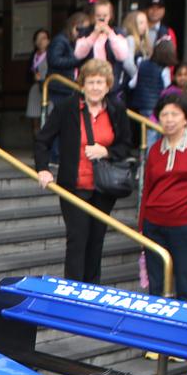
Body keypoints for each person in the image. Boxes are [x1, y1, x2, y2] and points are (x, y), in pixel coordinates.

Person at [34, 58, 133, 283]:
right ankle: (73, 291)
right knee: (77, 240)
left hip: (103, 187)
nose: (95, 87)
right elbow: (42, 140)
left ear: (108, 86)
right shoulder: (66, 108)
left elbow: (126, 145)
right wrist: (43, 169)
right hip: (73, 186)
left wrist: (105, 151)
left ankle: (92, 291)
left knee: (96, 240)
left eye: (100, 82)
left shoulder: (117, 110)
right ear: (82, 85)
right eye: (91, 82)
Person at [140, 94, 187, 300]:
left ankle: (185, 329)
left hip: (185, 222)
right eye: (164, 114)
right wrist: (141, 228)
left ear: (185, 118)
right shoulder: (155, 149)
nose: (169, 119)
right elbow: (147, 189)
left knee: (186, 281)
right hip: (153, 223)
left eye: (175, 114)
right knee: (156, 285)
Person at [74, 0, 129, 94]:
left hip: (110, 83)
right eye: (98, 16)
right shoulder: (85, 32)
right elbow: (78, 54)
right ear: (93, 16)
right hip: (88, 81)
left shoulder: (117, 33)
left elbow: (123, 56)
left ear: (110, 16)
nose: (101, 19)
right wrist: (94, 35)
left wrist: (110, 34)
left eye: (105, 16)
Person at [46, 11, 88, 107]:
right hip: (60, 87)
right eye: (80, 29)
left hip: (67, 86)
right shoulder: (61, 40)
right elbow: (54, 60)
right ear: (74, 26)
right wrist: (77, 60)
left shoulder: (72, 41)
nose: (82, 33)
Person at [25, 28, 50, 132]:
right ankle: (37, 144)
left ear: (49, 40)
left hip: (49, 88)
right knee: (35, 119)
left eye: (43, 38)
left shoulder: (51, 54)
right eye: (38, 39)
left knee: (49, 118)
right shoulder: (33, 56)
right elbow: (27, 74)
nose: (40, 41)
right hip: (36, 89)